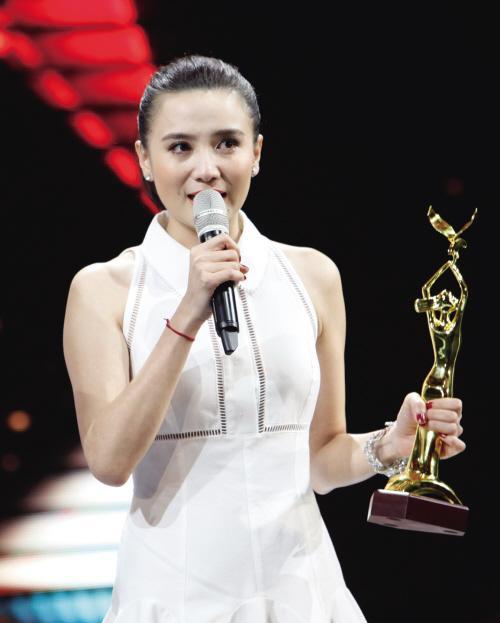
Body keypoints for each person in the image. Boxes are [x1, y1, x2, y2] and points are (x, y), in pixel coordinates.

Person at [62, 54, 465, 622]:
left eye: (226, 143)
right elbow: (109, 461)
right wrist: (187, 315)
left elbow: (320, 461)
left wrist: (387, 447)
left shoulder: (312, 275)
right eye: (180, 148)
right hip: (174, 598)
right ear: (145, 160)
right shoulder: (104, 289)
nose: (206, 169)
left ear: (256, 152)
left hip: (302, 593)